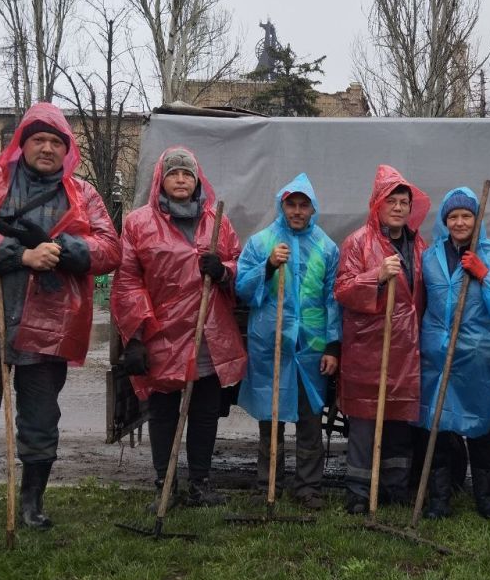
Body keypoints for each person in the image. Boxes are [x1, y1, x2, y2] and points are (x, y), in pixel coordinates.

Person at [0, 102, 121, 545]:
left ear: (66, 150)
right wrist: (18, 253)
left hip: (49, 324)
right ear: (23, 143)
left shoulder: (82, 194)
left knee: (40, 419)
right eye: (39, 140)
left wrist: (64, 250)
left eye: (56, 142)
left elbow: (109, 247)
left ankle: (32, 505)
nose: (47, 148)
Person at [112, 146, 246, 511]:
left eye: (187, 173)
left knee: (204, 410)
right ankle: (164, 483)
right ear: (162, 180)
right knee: (164, 409)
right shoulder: (139, 224)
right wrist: (136, 335)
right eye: (174, 173)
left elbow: (239, 266)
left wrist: (223, 272)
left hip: (207, 332)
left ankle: (200, 482)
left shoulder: (215, 222)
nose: (181, 179)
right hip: (163, 333)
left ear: (197, 179)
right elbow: (127, 280)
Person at [235, 174, 341, 510]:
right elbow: (243, 289)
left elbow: (332, 301)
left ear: (312, 208)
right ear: (282, 206)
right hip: (271, 344)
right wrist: (267, 266)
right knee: (271, 418)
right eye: (291, 204)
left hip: (310, 350)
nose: (297, 211)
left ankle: (308, 486)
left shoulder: (327, 247)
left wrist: (332, 346)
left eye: (303, 205)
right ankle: (267, 483)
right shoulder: (261, 243)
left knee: (311, 421)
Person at [418, 187, 490, 519]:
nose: (460, 222)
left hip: (479, 358)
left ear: (477, 220)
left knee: (479, 430)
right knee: (438, 428)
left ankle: (486, 501)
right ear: (445, 221)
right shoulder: (430, 257)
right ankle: (439, 500)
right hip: (437, 358)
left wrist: (483, 274)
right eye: (453, 216)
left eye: (466, 216)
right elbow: (420, 305)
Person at [335, 165, 430, 514]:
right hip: (369, 347)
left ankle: (394, 487)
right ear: (378, 203)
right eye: (393, 201)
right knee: (364, 423)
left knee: (399, 422)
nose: (400, 208)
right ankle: (359, 491)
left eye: (405, 201)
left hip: (406, 348)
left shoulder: (419, 245)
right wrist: (376, 275)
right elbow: (343, 290)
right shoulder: (357, 242)